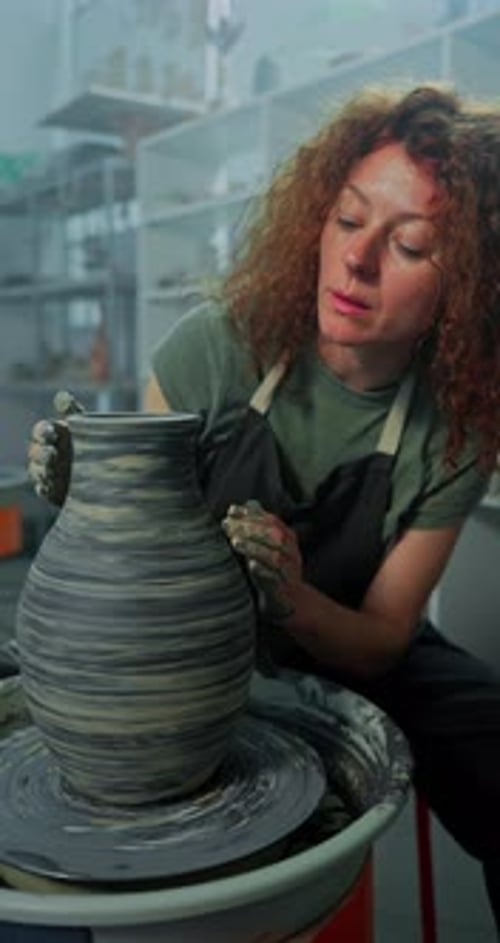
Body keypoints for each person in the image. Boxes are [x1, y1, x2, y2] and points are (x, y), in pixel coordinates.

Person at [28, 84, 500, 928]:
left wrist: (296, 599)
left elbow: (385, 636)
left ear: (468, 286)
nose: (357, 262)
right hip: (197, 638)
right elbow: (129, 542)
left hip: (351, 637)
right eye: (349, 219)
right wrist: (86, 484)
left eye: (412, 244)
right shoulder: (220, 342)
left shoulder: (456, 429)